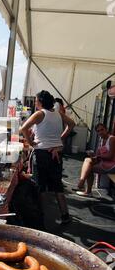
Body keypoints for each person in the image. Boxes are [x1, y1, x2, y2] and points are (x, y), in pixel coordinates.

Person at [21, 90, 75, 226]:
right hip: (56, 153)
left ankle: (41, 216)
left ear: (40, 102)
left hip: (42, 153)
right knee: (57, 186)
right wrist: (60, 139)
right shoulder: (58, 114)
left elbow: (23, 128)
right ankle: (65, 215)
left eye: (36, 101)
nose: (35, 103)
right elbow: (72, 124)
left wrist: (31, 142)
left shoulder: (39, 114)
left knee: (41, 186)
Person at [75, 123, 115, 196]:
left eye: (102, 130)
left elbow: (110, 156)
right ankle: (82, 183)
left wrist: (97, 157)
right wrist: (94, 156)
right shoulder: (101, 140)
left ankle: (83, 185)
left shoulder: (112, 139)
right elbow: (99, 155)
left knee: (89, 167)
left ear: (106, 130)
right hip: (105, 162)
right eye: (98, 131)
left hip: (112, 165)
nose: (100, 132)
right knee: (88, 160)